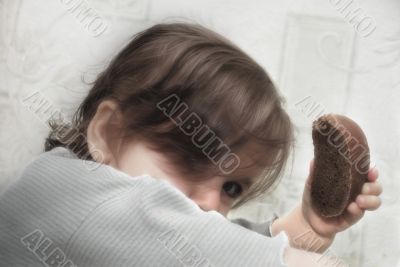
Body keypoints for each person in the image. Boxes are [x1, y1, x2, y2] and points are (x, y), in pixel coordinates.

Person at [0, 22, 382, 266]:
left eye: (231, 187)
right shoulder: (62, 192)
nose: (211, 204)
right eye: (192, 156)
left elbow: (199, 243)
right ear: (109, 133)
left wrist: (307, 227)